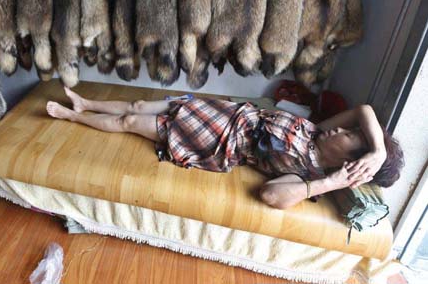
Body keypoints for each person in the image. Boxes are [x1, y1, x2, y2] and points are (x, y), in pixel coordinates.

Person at [46, 87, 404, 209]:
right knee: (139, 106)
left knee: (129, 124)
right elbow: (365, 110)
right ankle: (85, 102)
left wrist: (333, 183)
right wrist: (379, 152)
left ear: (349, 163)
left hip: (216, 140)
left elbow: (271, 196)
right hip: (226, 110)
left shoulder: (309, 173)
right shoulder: (317, 130)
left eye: (349, 136)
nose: (339, 127)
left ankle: (70, 117)